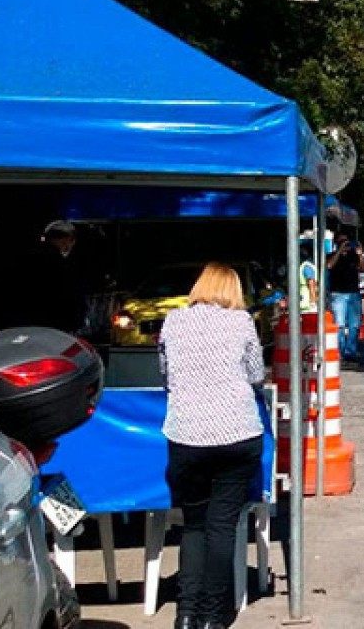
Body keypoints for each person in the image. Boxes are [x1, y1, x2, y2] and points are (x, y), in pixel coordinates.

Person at [159, 263, 265, 629]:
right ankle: (214, 617)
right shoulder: (242, 322)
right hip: (237, 434)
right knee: (222, 527)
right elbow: (256, 374)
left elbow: (166, 374)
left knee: (193, 525)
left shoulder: (173, 321)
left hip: (186, 434)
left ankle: (185, 614)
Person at [8, 220, 89, 334]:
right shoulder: (65, 268)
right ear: (67, 240)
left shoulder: (20, 263)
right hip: (53, 333)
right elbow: (74, 302)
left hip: (17, 331)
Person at [326, 234, 363, 364]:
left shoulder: (354, 256)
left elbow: (363, 268)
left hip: (353, 293)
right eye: (342, 243)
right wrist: (338, 252)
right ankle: (340, 351)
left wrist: (360, 254)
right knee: (340, 325)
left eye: (346, 243)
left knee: (354, 325)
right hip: (338, 294)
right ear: (336, 243)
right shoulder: (331, 255)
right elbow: (329, 266)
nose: (345, 245)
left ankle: (351, 351)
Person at [298, 240, 319, 312]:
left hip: (307, 303)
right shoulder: (306, 265)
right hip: (305, 302)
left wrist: (313, 302)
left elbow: (311, 284)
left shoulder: (306, 267)